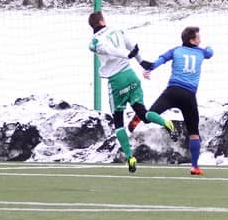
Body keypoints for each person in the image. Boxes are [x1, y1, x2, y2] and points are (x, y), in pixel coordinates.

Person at [87, 11, 176, 173]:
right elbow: (132, 46)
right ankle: (165, 123)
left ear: (93, 25)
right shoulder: (118, 30)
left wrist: (126, 55)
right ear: (102, 21)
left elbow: (109, 50)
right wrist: (141, 61)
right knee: (143, 113)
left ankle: (130, 157)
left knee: (118, 122)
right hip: (132, 76)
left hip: (117, 81)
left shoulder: (94, 41)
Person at [140, 26, 214, 176]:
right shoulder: (201, 52)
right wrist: (209, 47)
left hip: (172, 91)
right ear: (192, 40)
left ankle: (165, 123)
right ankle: (194, 167)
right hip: (189, 95)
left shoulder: (175, 50)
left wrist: (150, 69)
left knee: (149, 115)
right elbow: (210, 52)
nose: (200, 40)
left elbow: (161, 59)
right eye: (198, 38)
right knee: (194, 133)